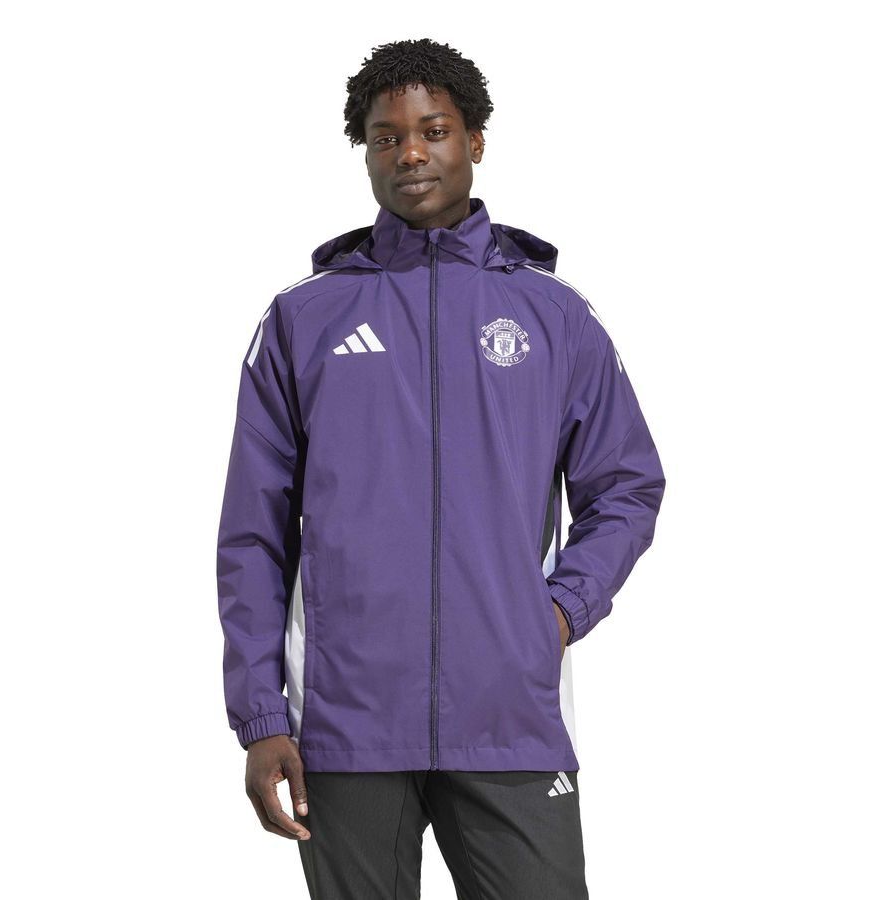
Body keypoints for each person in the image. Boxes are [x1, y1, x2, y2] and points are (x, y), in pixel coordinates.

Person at [216, 37, 666, 899]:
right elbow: (253, 534)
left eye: (433, 130)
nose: (411, 153)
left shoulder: (552, 316)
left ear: (475, 140)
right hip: (345, 726)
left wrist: (559, 612)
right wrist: (262, 715)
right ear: (366, 152)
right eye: (387, 137)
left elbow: (627, 485)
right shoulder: (304, 321)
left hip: (510, 716)